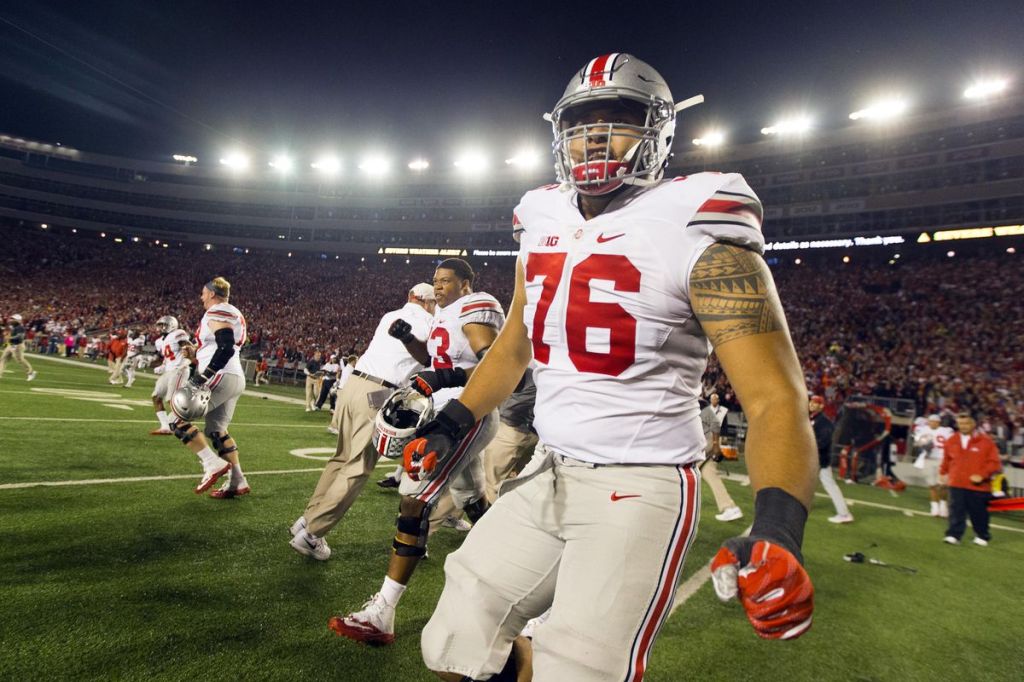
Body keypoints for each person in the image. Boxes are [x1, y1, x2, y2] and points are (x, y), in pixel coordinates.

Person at [407, 54, 817, 681]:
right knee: (451, 646)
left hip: (642, 483)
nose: (593, 137)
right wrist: (454, 419)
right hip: (549, 471)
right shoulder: (541, 217)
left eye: (618, 119)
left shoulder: (699, 226)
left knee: (577, 671)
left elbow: (774, 400)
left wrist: (780, 528)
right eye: (579, 124)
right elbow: (514, 344)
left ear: (658, 131)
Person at [329, 258, 505, 646]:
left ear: (466, 283)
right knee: (472, 499)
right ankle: (512, 566)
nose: (438, 286)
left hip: (466, 411)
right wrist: (409, 338)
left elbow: (494, 363)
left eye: (446, 280)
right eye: (435, 280)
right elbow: (432, 360)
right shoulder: (444, 315)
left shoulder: (477, 305)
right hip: (444, 410)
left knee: (414, 498)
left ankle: (382, 612)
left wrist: (444, 377)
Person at [289, 283, 436, 559]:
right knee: (358, 466)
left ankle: (307, 520)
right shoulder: (430, 323)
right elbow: (428, 358)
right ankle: (312, 534)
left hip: (354, 385)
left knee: (340, 458)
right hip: (379, 391)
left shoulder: (389, 315)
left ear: (410, 297)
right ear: (429, 303)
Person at [168, 277, 250, 499]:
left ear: (212, 293)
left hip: (221, 375)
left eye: (203, 293)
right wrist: (196, 353)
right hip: (233, 376)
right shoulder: (231, 312)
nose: (201, 297)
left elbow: (226, 347)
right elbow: (219, 346)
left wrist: (204, 375)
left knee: (176, 419)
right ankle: (237, 481)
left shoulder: (217, 310)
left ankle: (211, 463)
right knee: (217, 430)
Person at [940, 412, 1002, 546]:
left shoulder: (986, 441)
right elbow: (946, 459)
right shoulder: (952, 440)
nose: (963, 426)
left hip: (978, 486)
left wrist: (982, 475)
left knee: (978, 512)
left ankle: (982, 535)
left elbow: (995, 463)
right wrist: (943, 473)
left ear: (973, 424)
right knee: (956, 510)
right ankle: (953, 535)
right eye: (960, 423)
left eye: (966, 423)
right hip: (956, 482)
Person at [483, 367, 539, 503]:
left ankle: (496, 516)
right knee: (530, 483)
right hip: (537, 432)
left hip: (512, 429)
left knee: (493, 485)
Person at [810, 395, 853, 523]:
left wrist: (807, 446)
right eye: (811, 401)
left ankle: (844, 514)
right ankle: (805, 506)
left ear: (821, 406)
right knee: (807, 484)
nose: (811, 404)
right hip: (814, 459)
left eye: (815, 402)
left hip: (820, 459)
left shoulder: (824, 422)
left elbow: (823, 442)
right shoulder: (812, 419)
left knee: (830, 485)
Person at [700, 399, 743, 521]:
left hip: (708, 445)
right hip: (708, 444)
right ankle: (730, 508)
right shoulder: (701, 405)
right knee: (710, 475)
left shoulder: (698, 406)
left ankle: (730, 508)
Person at [150, 316, 192, 435]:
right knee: (156, 396)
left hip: (179, 370)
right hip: (169, 371)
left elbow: (189, 348)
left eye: (163, 325)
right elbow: (167, 358)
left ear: (171, 325)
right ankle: (165, 427)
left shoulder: (178, 333)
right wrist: (162, 366)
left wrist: (186, 361)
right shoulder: (160, 341)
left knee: (172, 399)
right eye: (160, 325)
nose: (161, 328)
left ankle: (187, 419)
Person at [913, 414, 953, 517]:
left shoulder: (946, 431)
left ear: (939, 422)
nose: (932, 423)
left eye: (935, 421)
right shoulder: (922, 430)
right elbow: (916, 444)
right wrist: (922, 445)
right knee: (932, 485)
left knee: (943, 485)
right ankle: (934, 506)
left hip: (942, 459)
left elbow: (952, 444)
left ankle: (943, 505)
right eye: (931, 421)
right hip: (928, 459)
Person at [0, 314, 37, 381]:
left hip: (17, 345)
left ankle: (31, 372)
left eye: (13, 319)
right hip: (11, 345)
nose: (11, 320)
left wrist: (10, 338)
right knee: (3, 359)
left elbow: (20, 337)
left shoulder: (20, 327)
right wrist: (6, 343)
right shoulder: (14, 327)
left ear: (18, 320)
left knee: (20, 360)